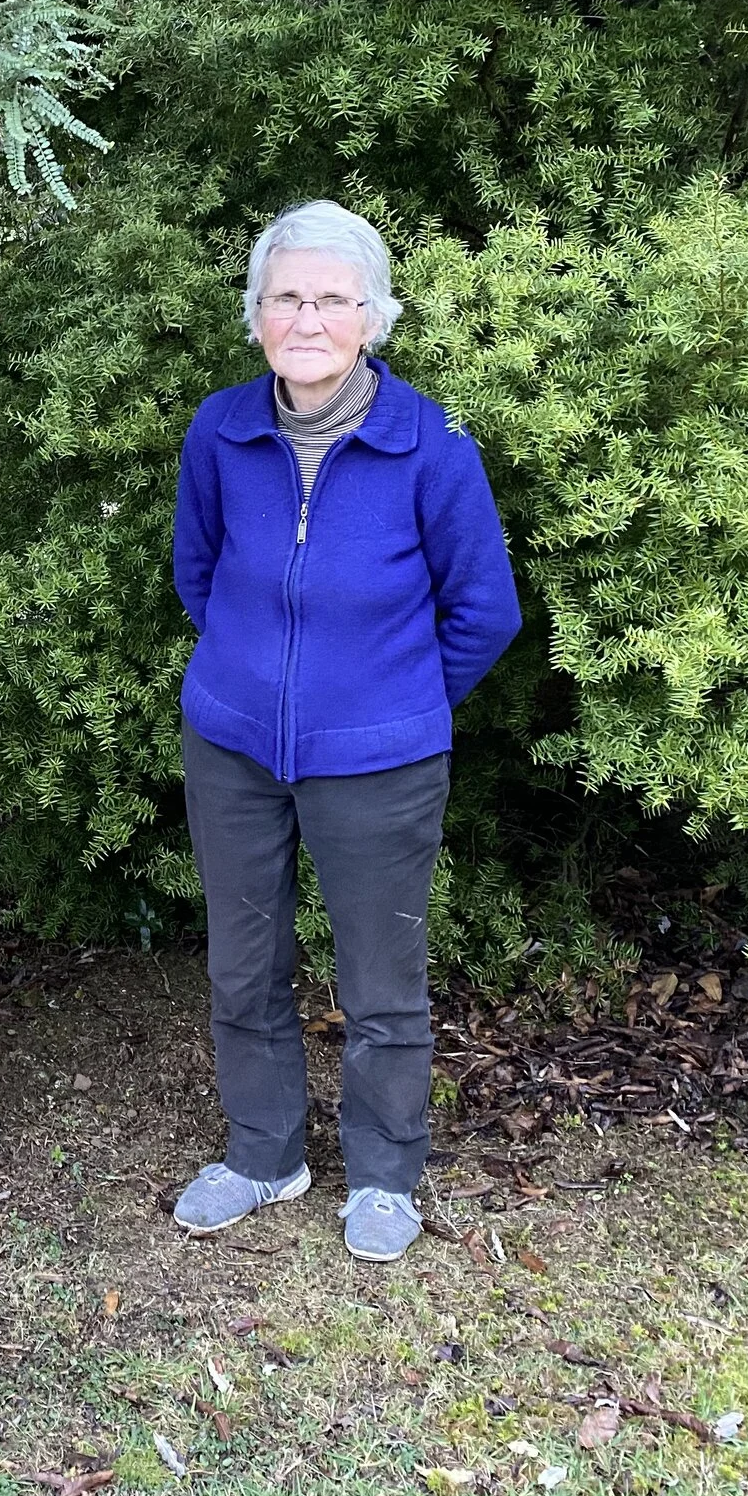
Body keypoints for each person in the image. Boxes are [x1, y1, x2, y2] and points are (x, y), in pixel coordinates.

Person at [169, 201, 520, 1262]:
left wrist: (393, 698)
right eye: (286, 297)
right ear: (256, 315)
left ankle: (382, 1173)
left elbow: (483, 611)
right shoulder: (220, 430)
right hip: (232, 747)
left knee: (378, 979)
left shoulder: (432, 443)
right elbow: (200, 575)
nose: (307, 317)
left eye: (330, 298)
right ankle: (266, 1154)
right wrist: (255, 681)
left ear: (371, 316)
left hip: (380, 759)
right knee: (243, 965)